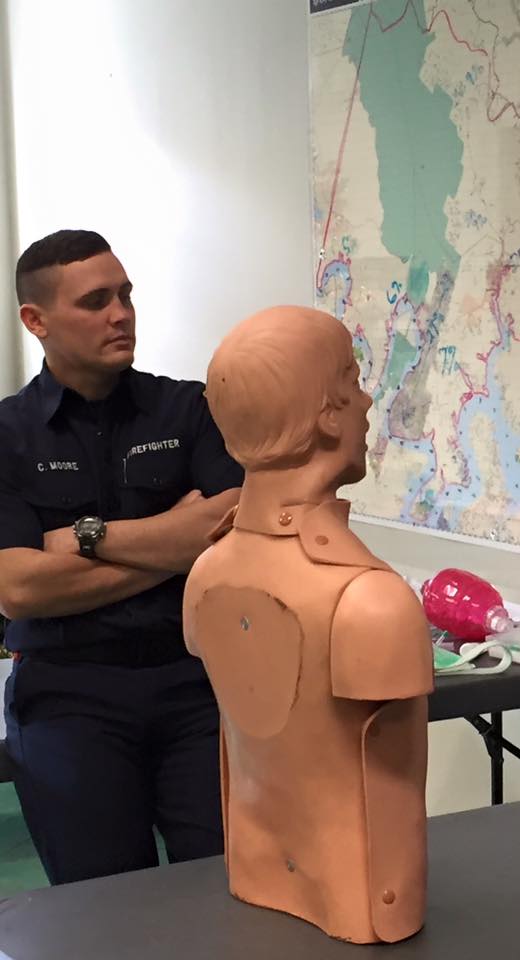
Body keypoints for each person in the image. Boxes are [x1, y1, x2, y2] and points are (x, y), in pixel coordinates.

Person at [0, 229, 242, 883]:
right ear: (36, 320)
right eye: (96, 300)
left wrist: (85, 538)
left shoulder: (188, 407)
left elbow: (232, 528)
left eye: (126, 295)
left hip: (193, 683)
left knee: (230, 883)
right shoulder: (7, 435)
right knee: (103, 904)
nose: (121, 313)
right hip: (68, 694)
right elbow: (19, 590)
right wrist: (180, 538)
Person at [184, 306, 432, 943]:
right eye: (354, 380)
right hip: (362, 907)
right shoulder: (369, 601)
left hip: (256, 873)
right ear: (327, 413)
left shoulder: (206, 574)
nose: (369, 399)